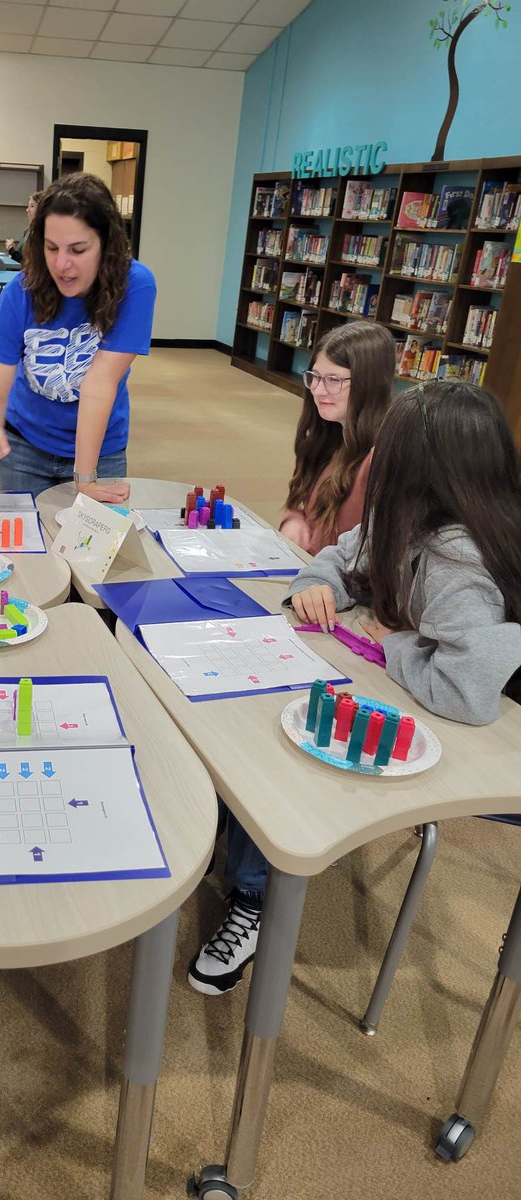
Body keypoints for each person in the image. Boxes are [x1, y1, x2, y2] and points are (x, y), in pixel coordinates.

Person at [188, 381, 521, 999]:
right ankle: (237, 842)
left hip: (469, 738)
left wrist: (392, 641)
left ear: (417, 473)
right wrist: (321, 585)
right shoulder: (407, 522)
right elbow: (342, 558)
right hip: (409, 694)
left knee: (285, 751)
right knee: (258, 714)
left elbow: (470, 693)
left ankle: (253, 898)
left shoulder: (460, 562)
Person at [0, 172, 156, 500]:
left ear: (106, 245)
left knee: (92, 548)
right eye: (51, 247)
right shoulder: (21, 291)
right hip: (25, 445)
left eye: (78, 249)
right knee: (28, 547)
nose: (61, 264)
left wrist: (86, 479)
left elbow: (99, 386)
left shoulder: (135, 285)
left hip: (100, 450)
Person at [279, 321, 395, 555]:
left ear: (368, 384)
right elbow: (305, 505)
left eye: (334, 380)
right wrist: (294, 521)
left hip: (336, 586)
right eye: (315, 376)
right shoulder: (330, 434)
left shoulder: (382, 458)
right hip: (307, 572)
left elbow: (376, 557)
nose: (318, 390)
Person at [5, 191, 42, 264]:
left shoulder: (40, 234)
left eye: (32, 206)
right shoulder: (28, 231)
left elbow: (25, 261)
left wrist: (11, 250)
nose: (27, 210)